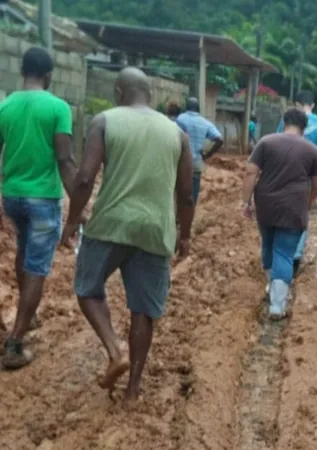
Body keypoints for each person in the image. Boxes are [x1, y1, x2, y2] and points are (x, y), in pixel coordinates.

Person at [62, 67, 195, 402]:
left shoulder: (104, 121)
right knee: (143, 310)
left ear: (119, 92)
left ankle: (114, 349)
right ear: (151, 94)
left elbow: (84, 179)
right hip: (155, 229)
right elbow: (186, 193)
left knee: (88, 288)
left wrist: (72, 221)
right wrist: (185, 235)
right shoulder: (178, 134)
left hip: (110, 223)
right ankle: (133, 388)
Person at [0, 47, 80, 369]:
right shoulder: (58, 108)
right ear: (48, 75)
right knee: (37, 265)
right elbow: (64, 159)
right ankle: (15, 343)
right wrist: (79, 201)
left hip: (12, 196)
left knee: (23, 251)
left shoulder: (4, 105)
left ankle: (25, 315)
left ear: (23, 72)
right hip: (43, 199)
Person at [242, 108, 317, 320]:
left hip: (266, 204)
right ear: (303, 128)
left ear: (283, 122)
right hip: (294, 206)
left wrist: (246, 202)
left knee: (267, 245)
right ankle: (277, 305)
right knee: (285, 253)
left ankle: (272, 286)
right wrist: (308, 201)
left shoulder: (266, 143)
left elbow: (251, 172)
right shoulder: (311, 149)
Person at [276, 90, 317, 276]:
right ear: (312, 105)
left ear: (296, 103)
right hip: (308, 175)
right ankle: (295, 255)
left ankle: (279, 251)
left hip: (284, 173)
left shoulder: (286, 121)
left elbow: (277, 145)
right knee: (302, 213)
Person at [176, 97, 223, 205]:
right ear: (198, 109)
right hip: (196, 164)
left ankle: (177, 218)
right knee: (192, 195)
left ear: (186, 107)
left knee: (177, 191)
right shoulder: (205, 123)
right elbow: (219, 139)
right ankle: (188, 218)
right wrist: (207, 155)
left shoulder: (179, 119)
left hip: (179, 162)